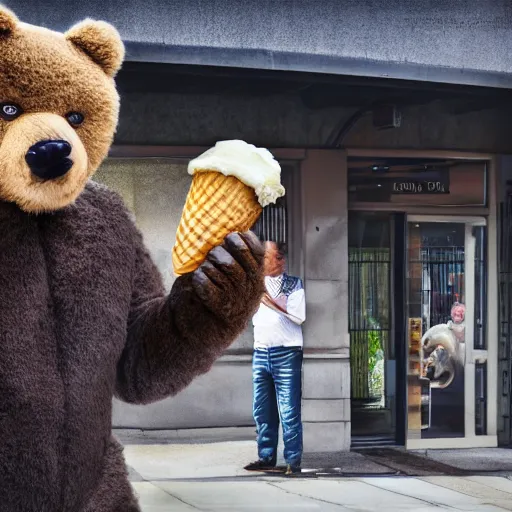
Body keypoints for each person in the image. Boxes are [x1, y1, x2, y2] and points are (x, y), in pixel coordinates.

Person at [244, 241, 306, 476]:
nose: (261, 260)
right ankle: (266, 457)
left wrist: (268, 300)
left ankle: (293, 461)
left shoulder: (293, 284)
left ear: (279, 259)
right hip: (261, 351)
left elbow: (298, 316)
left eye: (266, 256)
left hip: (287, 352)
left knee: (289, 410)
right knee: (262, 409)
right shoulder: (255, 285)